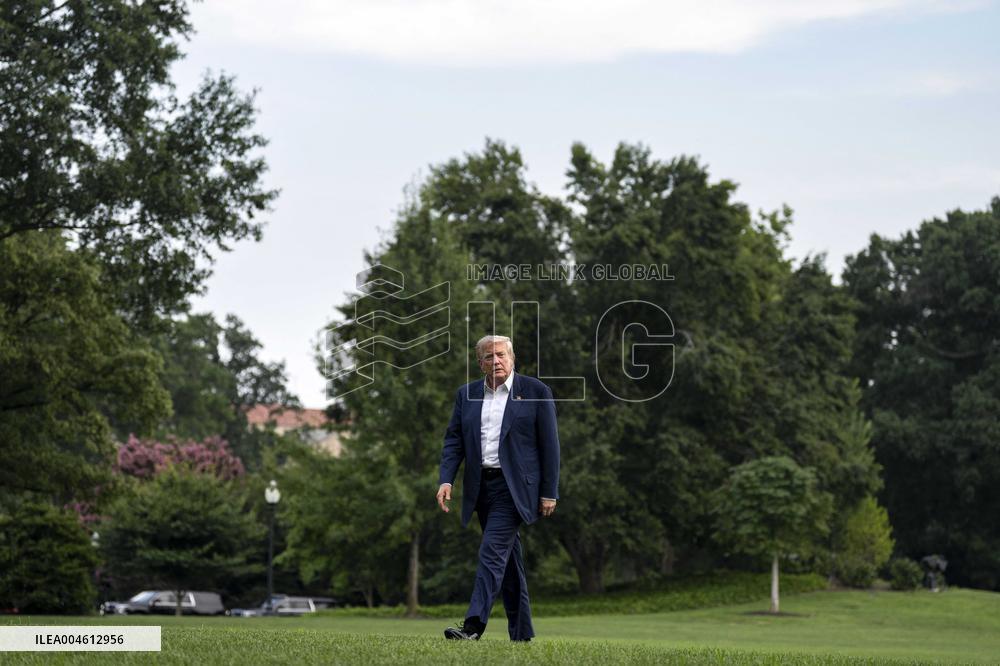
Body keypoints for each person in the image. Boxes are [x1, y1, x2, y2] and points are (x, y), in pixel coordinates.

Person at [436, 335, 560, 641]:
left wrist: (549, 491)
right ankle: (522, 634)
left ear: (513, 358)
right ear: (480, 363)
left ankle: (472, 628)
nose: (496, 362)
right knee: (508, 564)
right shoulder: (466, 395)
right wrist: (446, 479)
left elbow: (550, 446)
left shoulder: (535, 392)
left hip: (515, 488)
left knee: (491, 554)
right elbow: (454, 440)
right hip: (481, 488)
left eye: (501, 355)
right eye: (489, 357)